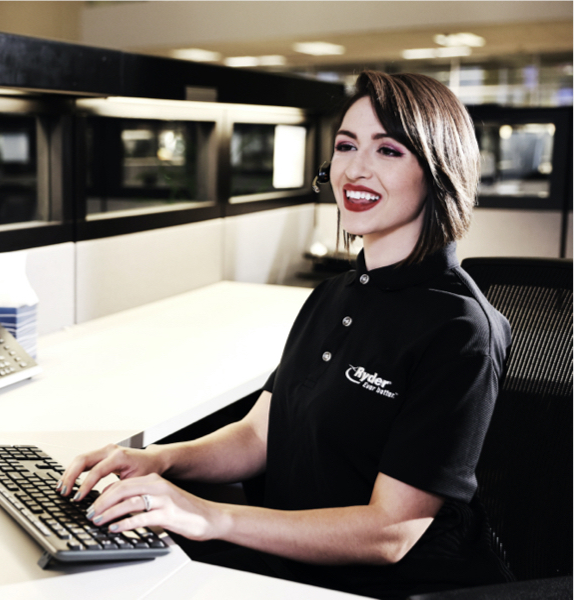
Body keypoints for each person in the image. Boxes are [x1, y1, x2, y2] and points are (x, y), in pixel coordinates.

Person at [56, 70, 513, 600]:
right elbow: (259, 435)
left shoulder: (461, 331)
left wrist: (210, 517)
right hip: (289, 556)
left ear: (438, 171)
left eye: (389, 151)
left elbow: (391, 532)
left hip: (379, 586)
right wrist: (159, 459)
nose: (355, 169)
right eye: (346, 146)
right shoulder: (334, 295)